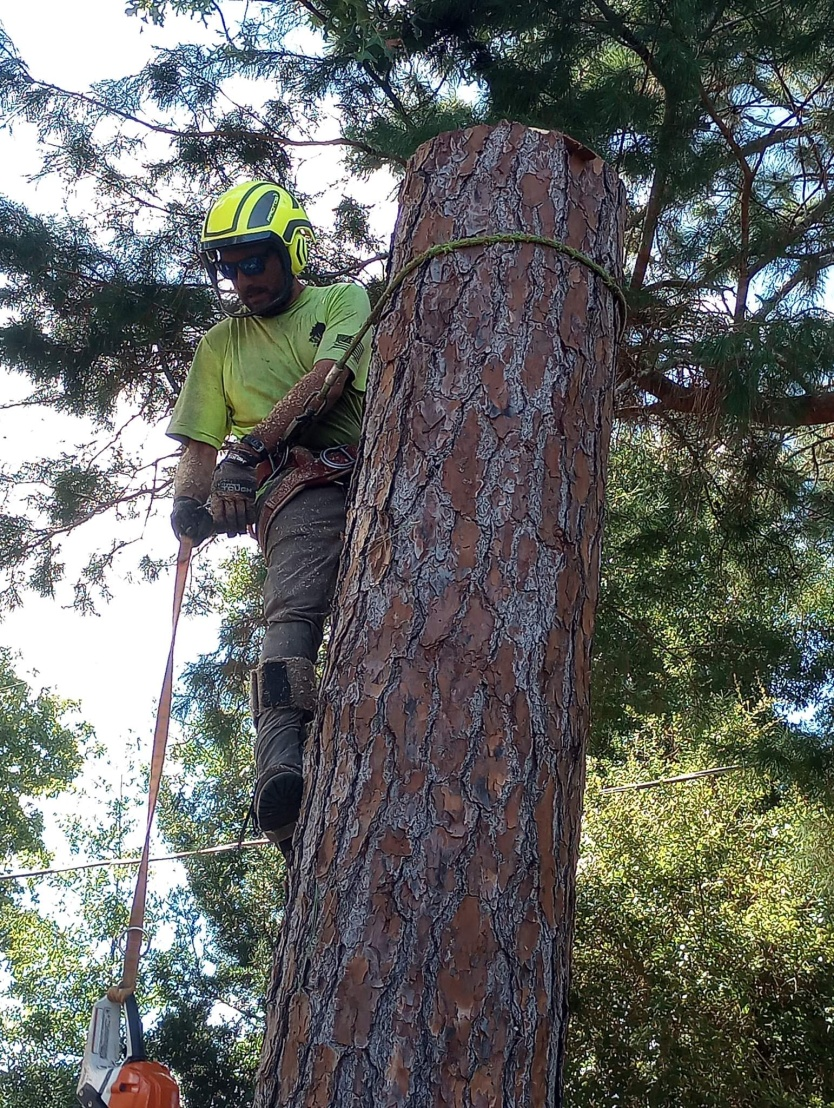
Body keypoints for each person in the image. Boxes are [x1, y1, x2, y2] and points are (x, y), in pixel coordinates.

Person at [166, 180, 372, 858]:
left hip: (376, 466)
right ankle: (282, 777)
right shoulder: (219, 345)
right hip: (300, 490)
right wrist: (192, 507)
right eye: (228, 267)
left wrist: (249, 451)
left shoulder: (339, 300)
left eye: (253, 260)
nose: (241, 279)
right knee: (291, 617)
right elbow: (199, 442)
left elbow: (329, 378)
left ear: (292, 251)